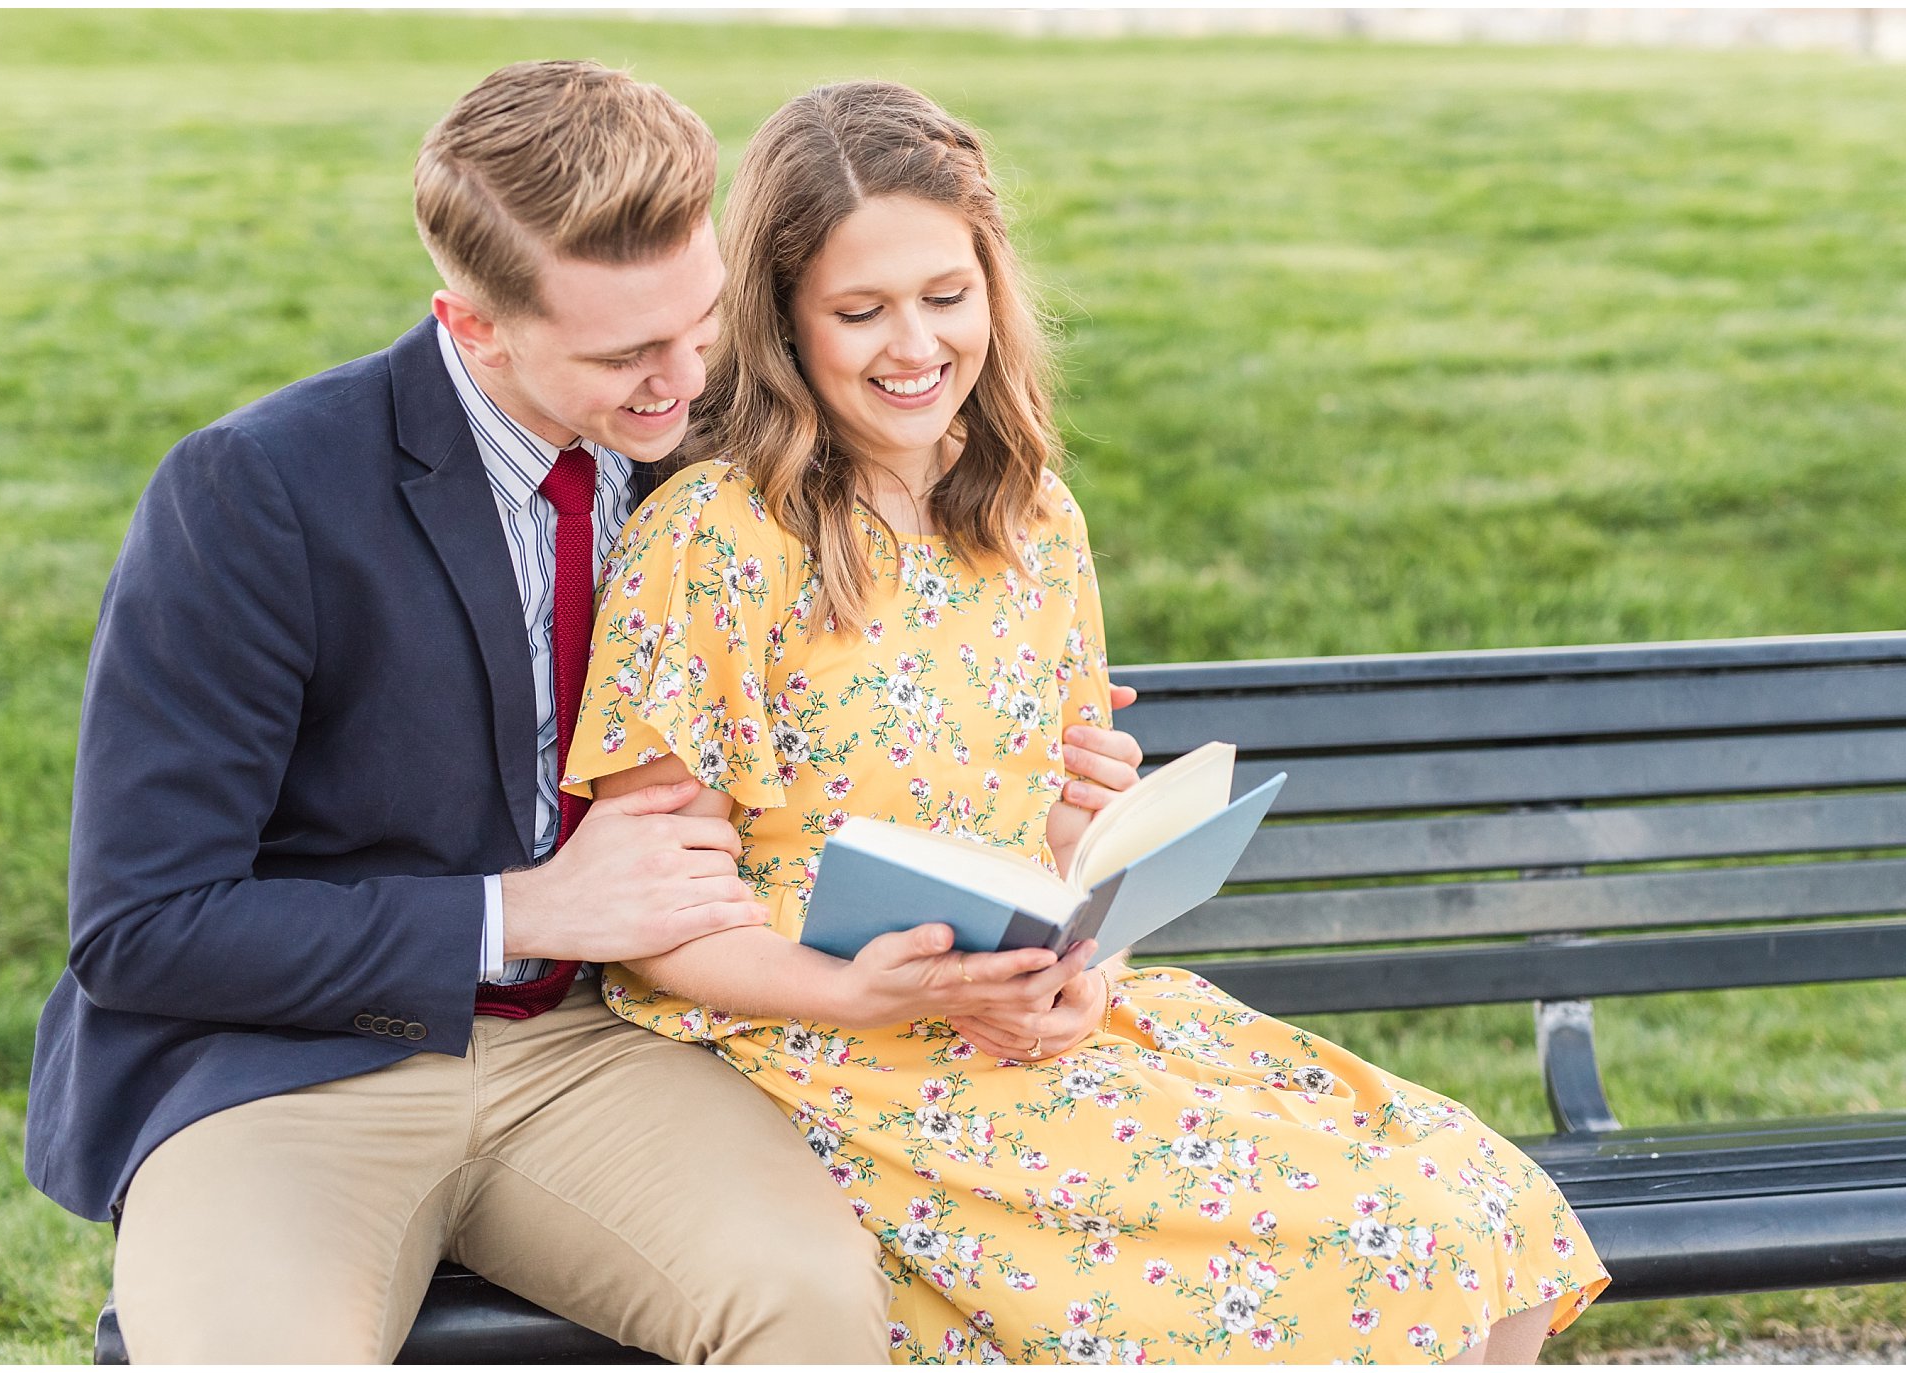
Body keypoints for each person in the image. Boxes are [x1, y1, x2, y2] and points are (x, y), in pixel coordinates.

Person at [24, 60, 1154, 1364]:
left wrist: (1032, 748)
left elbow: (899, 619)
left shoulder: (718, 446)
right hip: (292, 1068)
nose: (685, 385)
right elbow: (144, 926)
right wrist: (526, 907)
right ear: (474, 325)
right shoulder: (257, 495)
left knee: (814, 1302)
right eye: (627, 353)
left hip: (601, 1051)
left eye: (702, 321)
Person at [561, 80, 1613, 1365]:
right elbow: (656, 924)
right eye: (859, 311)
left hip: (1029, 1025)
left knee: (1480, 1206)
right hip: (825, 1056)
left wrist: (1082, 962)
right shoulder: (719, 538)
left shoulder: (1028, 516)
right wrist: (855, 989)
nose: (913, 346)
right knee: (1378, 1246)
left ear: (992, 285)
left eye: (945, 297)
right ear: (780, 320)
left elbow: (1063, 834)